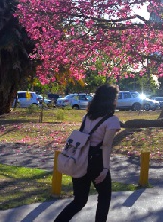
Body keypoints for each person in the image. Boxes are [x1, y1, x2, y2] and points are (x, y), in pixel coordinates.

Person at [55, 84, 121, 222]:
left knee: (79, 200)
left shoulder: (87, 117)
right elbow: (106, 145)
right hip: (96, 161)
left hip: (79, 159)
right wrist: (105, 168)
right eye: (116, 97)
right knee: (104, 196)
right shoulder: (112, 120)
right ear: (111, 100)